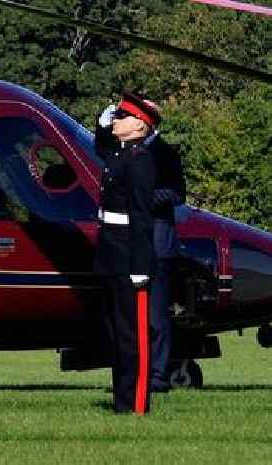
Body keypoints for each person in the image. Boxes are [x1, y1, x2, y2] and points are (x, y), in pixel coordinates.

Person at [94, 91, 158, 415]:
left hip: (129, 255)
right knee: (116, 332)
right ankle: (122, 400)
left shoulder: (140, 160)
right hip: (111, 252)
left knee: (131, 335)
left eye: (123, 116)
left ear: (140, 126)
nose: (115, 120)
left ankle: (135, 403)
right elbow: (101, 145)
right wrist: (103, 119)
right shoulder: (120, 155)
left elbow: (142, 218)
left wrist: (140, 264)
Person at [142, 103, 186, 393]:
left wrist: (143, 198)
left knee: (157, 314)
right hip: (134, 241)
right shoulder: (127, 152)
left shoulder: (165, 153)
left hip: (158, 242)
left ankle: (158, 373)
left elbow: (176, 193)